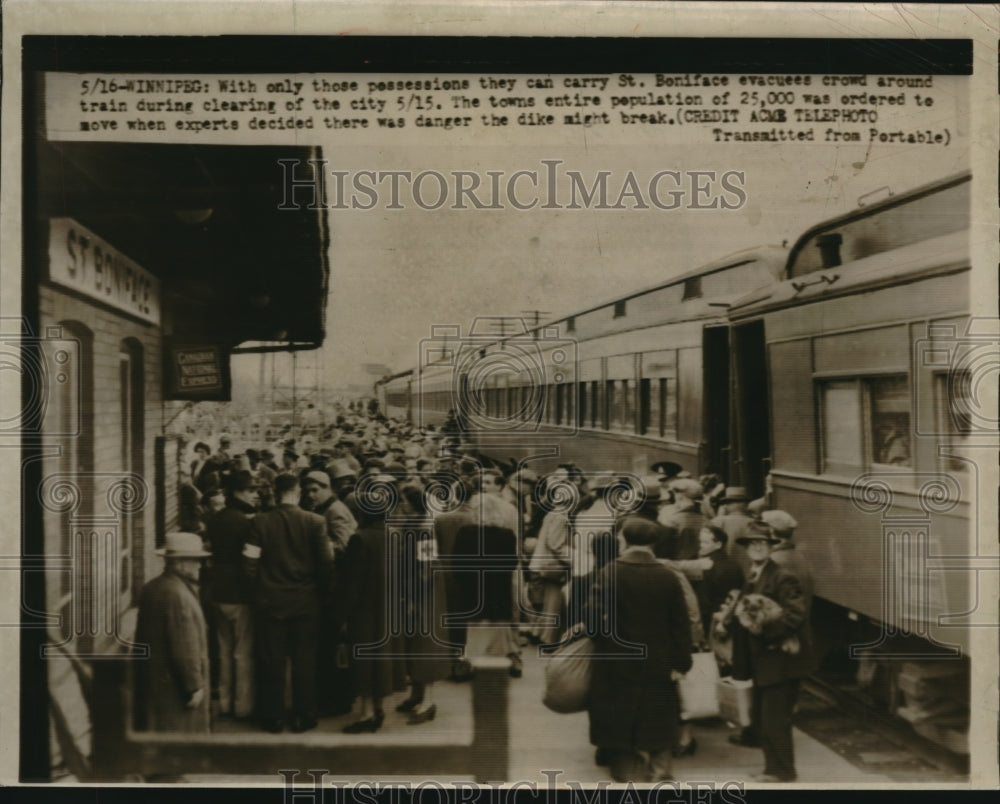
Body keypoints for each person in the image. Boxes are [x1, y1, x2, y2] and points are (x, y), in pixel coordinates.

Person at [585, 517, 693, 783]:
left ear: (623, 540)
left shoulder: (610, 572)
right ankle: (660, 771)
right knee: (658, 712)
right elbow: (681, 624)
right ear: (653, 544)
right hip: (659, 658)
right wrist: (681, 662)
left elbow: (594, 621)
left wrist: (604, 643)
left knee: (619, 712)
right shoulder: (667, 576)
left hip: (617, 658)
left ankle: (626, 769)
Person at [244, 472, 334, 734]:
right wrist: (323, 596)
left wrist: (256, 594)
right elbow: (326, 565)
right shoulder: (315, 522)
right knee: (304, 661)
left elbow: (249, 564)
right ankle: (304, 715)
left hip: (270, 603)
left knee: (271, 661)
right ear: (297, 491)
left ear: (275, 491)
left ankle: (273, 717)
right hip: (306, 603)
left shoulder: (260, 522)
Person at [728, 520, 816, 783]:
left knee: (774, 719)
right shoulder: (756, 573)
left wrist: (765, 634)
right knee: (767, 718)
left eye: (761, 543)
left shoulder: (782, 576)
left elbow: (795, 614)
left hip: (779, 659)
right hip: (765, 660)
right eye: (751, 544)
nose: (756, 548)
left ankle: (782, 771)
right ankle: (772, 768)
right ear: (746, 548)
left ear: (770, 546)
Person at [134, 532, 212, 733]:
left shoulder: (154, 587)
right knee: (183, 739)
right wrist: (194, 686)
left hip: (157, 684)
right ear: (180, 562)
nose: (200, 566)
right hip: (175, 691)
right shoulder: (177, 595)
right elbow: (184, 644)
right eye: (195, 560)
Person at [203, 470, 259, 720]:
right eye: (250, 490)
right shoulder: (248, 522)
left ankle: (224, 703)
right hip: (241, 592)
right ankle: (243, 705)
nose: (254, 494)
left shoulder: (216, 519)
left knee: (224, 651)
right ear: (239, 492)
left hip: (218, 589)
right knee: (243, 652)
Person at [696, 525, 746, 636]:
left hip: (711, 619)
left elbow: (703, 601)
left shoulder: (705, 566)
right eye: (700, 542)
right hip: (731, 617)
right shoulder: (735, 565)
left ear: (718, 545)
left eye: (705, 543)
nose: (700, 546)